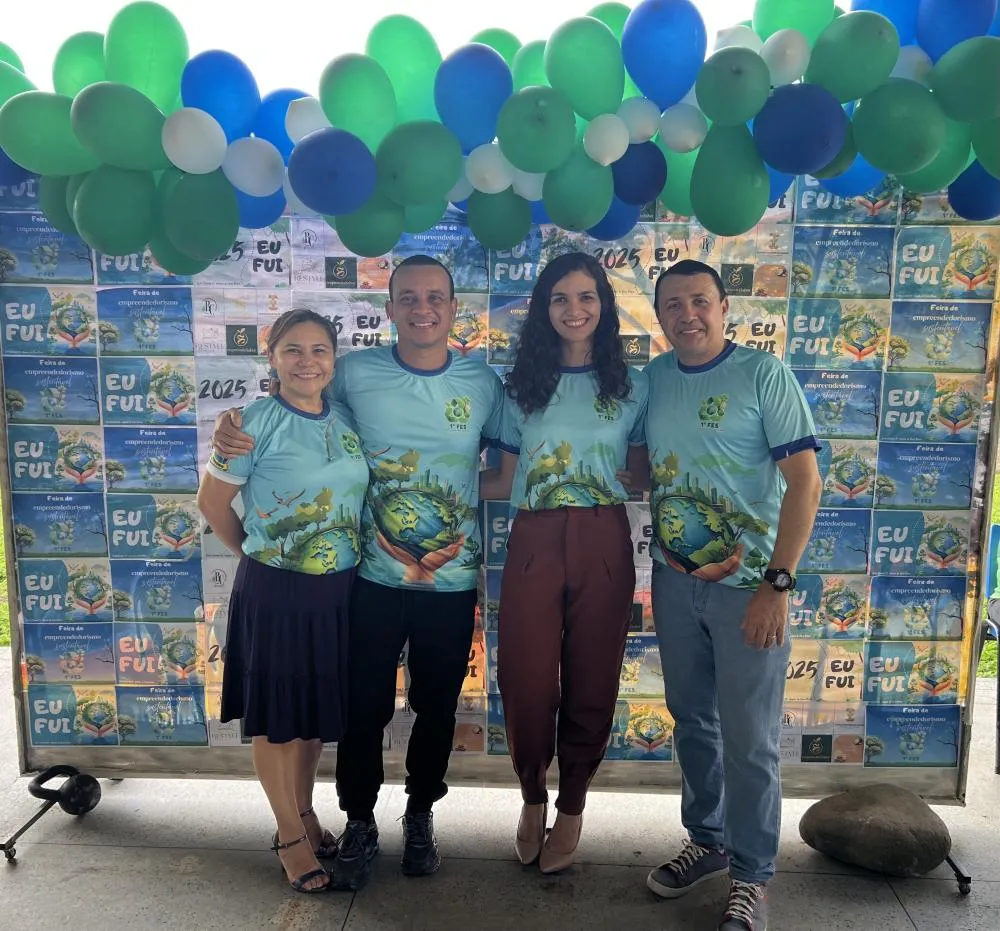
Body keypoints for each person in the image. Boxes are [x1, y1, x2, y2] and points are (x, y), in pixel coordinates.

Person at [211, 255, 504, 891]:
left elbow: (504, 467)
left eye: (435, 298)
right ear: (390, 307)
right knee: (360, 709)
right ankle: (360, 819)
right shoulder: (355, 375)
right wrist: (232, 428)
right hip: (365, 582)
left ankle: (421, 814)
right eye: (408, 297)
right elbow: (297, 405)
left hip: (446, 585)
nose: (422, 308)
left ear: (455, 309)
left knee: (435, 707)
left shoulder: (484, 382)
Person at [636, 260, 822, 931]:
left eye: (700, 301)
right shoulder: (653, 379)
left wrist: (778, 582)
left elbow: (805, 484)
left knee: (749, 739)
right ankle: (709, 839)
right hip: (673, 580)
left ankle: (753, 875)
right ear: (659, 316)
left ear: (723, 308)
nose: (688, 314)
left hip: (751, 591)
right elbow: (638, 464)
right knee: (693, 719)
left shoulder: (762, 375)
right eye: (674, 305)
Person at [480, 252, 648, 873]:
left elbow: (644, 471)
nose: (573, 310)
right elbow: (498, 480)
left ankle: (572, 803)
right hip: (534, 538)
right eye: (559, 298)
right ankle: (531, 795)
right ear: (542, 310)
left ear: (603, 308)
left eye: (586, 297)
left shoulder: (634, 384)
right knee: (524, 677)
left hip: (604, 536)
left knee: (593, 677)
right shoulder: (518, 386)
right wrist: (408, 486)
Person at [197, 308, 368, 894]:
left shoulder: (345, 420)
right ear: (271, 356)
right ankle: (289, 836)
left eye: (319, 350)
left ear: (333, 359)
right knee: (278, 722)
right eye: (293, 350)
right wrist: (255, 552)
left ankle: (307, 813)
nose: (307, 361)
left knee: (313, 720)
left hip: (337, 593)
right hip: (275, 592)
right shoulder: (250, 423)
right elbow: (212, 503)